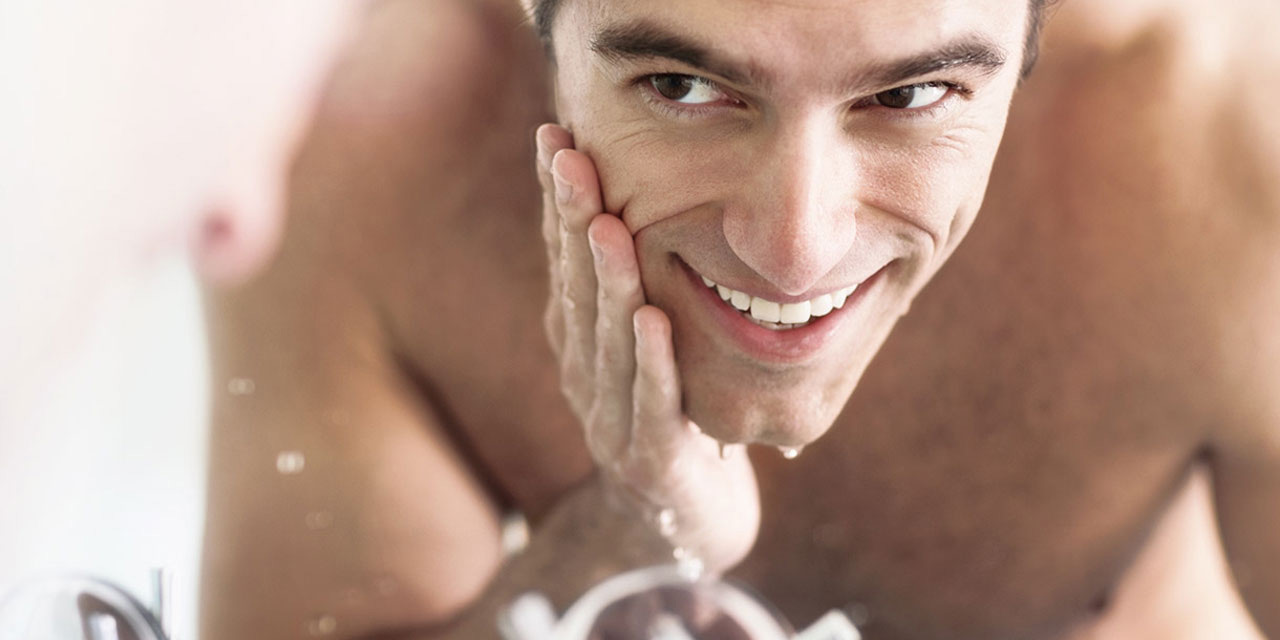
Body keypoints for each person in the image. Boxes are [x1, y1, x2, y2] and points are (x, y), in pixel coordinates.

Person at [199, 0, 1280, 638]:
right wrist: (625, 534)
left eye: (907, 99)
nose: (793, 245)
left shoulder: (1218, 149)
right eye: (679, 86)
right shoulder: (352, 145)